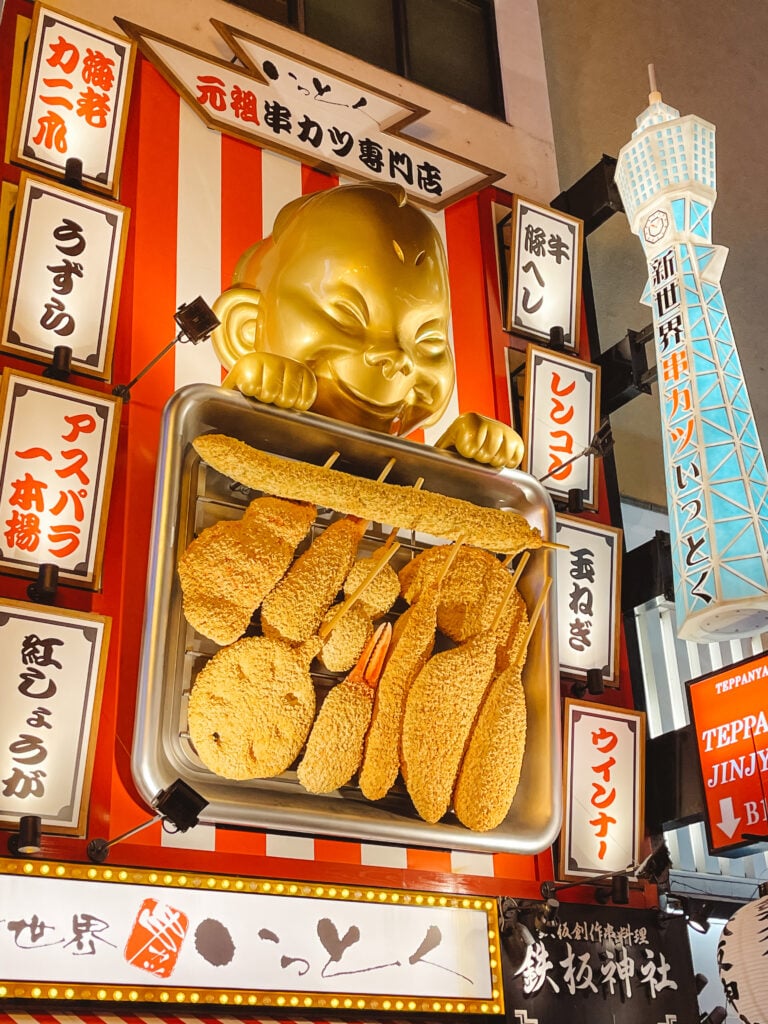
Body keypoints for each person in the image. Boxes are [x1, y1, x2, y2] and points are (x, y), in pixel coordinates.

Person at [212, 182, 524, 469]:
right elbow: (213, 471)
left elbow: (403, 505)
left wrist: (459, 466)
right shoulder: (211, 429)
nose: (398, 356)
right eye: (349, 315)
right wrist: (242, 403)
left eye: (427, 338)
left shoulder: (388, 461)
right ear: (247, 328)